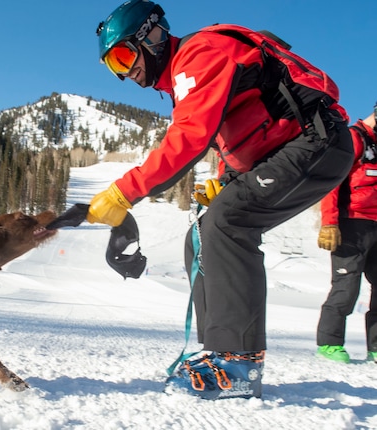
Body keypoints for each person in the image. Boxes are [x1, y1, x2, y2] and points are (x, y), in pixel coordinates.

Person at [89, 0, 354, 399]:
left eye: (125, 56)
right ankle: (218, 351)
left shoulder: (199, 53)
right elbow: (230, 134)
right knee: (199, 235)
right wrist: (225, 180)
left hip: (316, 141)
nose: (126, 73)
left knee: (228, 224)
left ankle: (240, 362)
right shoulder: (184, 79)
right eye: (115, 67)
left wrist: (124, 191)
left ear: (153, 36)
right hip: (277, 153)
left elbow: (191, 137)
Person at [316, 106, 377, 364]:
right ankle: (330, 344)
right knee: (346, 287)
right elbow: (331, 181)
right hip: (352, 224)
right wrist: (330, 223)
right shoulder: (354, 138)